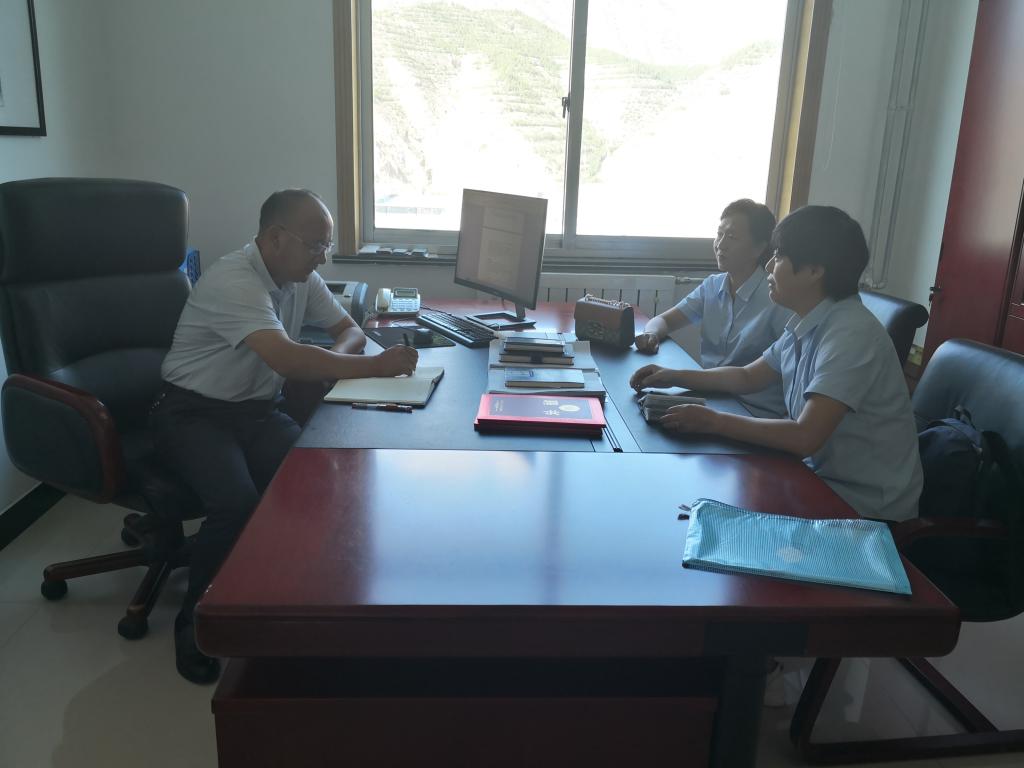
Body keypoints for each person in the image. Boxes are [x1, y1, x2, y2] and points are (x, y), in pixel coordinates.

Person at [152, 189, 418, 684]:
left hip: (256, 412)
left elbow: (351, 331)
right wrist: (372, 366)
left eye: (326, 246)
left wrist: (339, 359)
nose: (323, 257)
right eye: (315, 245)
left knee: (318, 478)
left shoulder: (301, 278)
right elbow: (288, 359)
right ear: (275, 239)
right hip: (193, 413)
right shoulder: (235, 280)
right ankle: (196, 623)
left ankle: (298, 600)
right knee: (236, 504)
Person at [630, 205, 922, 523]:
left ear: (814, 270)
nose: (769, 265)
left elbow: (805, 436)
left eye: (780, 256)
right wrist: (672, 376)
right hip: (813, 477)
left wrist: (713, 421)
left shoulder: (850, 333)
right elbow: (747, 376)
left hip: (861, 509)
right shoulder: (808, 321)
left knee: (706, 515)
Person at [635, 199, 791, 417]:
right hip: (711, 398)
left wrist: (674, 376)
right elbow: (664, 320)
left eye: (732, 237)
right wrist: (651, 334)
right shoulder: (713, 286)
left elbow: (751, 376)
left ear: (759, 248)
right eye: (720, 234)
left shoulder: (776, 297)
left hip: (755, 412)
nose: (721, 244)